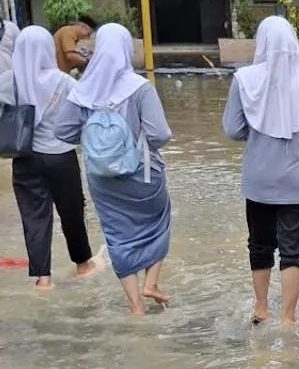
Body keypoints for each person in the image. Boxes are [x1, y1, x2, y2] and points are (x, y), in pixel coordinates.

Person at [52, 23, 173, 316]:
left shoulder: (83, 90)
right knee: (159, 220)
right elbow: (160, 134)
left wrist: (94, 139)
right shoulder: (140, 88)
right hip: (143, 175)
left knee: (118, 235)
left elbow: (63, 132)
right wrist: (134, 141)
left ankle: (135, 306)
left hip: (103, 181)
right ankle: (151, 283)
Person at [221, 15, 299, 327]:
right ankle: (289, 318)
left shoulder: (244, 80)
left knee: (260, 245)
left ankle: (261, 308)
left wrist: (259, 130)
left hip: (258, 181)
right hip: (296, 181)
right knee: (293, 252)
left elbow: (232, 129)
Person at [1, 25, 100, 290]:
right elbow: (85, 116)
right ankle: (83, 265)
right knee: (72, 213)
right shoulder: (64, 81)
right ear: (47, 49)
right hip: (61, 157)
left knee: (33, 217)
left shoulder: (9, 81)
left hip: (24, 158)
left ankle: (43, 279)